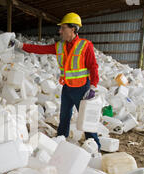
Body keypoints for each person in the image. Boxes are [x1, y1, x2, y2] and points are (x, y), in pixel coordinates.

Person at [12, 12, 101, 150]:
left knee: (86, 118)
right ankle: (61, 139)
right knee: (64, 115)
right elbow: (39, 49)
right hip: (67, 88)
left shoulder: (85, 46)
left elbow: (93, 66)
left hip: (82, 88)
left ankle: (95, 145)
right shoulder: (60, 46)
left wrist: (94, 86)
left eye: (63, 28)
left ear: (73, 29)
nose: (60, 31)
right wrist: (20, 45)